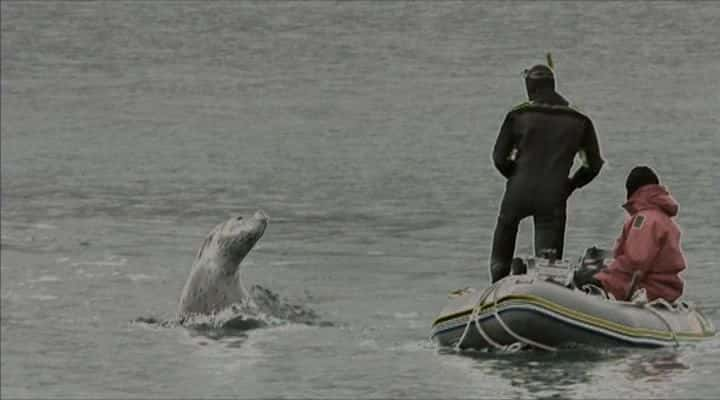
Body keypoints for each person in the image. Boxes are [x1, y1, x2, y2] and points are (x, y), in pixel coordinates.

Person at [489, 63, 605, 282]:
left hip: (517, 191)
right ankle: (544, 292)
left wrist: (515, 175)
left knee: (505, 235)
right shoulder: (579, 121)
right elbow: (593, 165)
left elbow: (498, 158)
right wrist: (571, 185)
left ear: (530, 88)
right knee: (547, 266)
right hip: (553, 197)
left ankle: (496, 284)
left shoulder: (518, 115)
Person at [574, 166, 686, 302]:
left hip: (646, 286)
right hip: (664, 287)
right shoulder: (664, 219)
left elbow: (636, 261)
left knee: (581, 278)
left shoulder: (642, 219)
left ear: (632, 191)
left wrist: (603, 275)